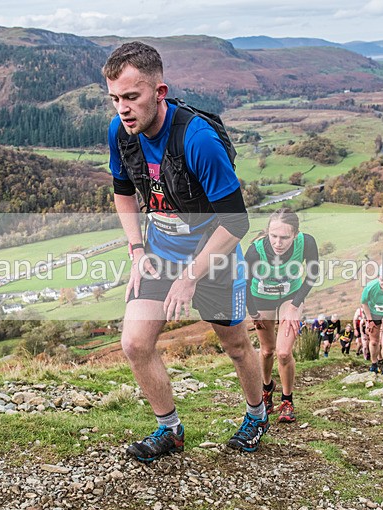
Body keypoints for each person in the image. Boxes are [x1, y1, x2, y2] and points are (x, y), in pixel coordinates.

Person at [106, 42, 267, 461]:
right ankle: (170, 430)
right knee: (135, 343)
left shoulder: (198, 139)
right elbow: (123, 192)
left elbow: (237, 223)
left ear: (159, 92)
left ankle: (257, 413)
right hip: (160, 249)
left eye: (132, 97)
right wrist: (137, 251)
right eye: (115, 99)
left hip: (213, 250)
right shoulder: (120, 133)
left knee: (234, 345)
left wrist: (191, 275)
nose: (123, 109)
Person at [246, 208, 320, 423]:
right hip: (261, 298)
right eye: (274, 236)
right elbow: (243, 283)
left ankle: (287, 401)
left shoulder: (306, 243)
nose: (278, 243)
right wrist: (253, 313)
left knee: (284, 352)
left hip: (291, 295)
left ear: (295, 234)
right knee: (267, 350)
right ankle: (267, 388)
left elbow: (313, 274)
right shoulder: (254, 251)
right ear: (267, 232)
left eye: (285, 237)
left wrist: (295, 306)